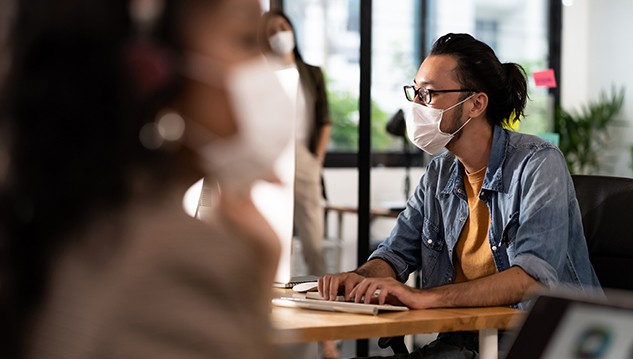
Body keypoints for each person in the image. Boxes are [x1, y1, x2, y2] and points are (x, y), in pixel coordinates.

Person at [0, 0, 293, 358]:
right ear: (152, 62)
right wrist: (254, 288)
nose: (265, 70)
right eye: (247, 40)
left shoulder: (75, 214)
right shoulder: (182, 258)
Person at [318, 33, 602, 358]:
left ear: (476, 104)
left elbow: (531, 278)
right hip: (463, 345)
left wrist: (425, 297)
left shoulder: (538, 162)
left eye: (429, 94)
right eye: (415, 92)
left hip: (541, 345)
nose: (416, 106)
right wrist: (357, 279)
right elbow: (395, 254)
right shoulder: (439, 173)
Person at [259, 10, 337, 359]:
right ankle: (266, 326)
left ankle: (328, 336)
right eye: (272, 29)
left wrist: (315, 159)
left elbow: (324, 119)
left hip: (304, 162)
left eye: (283, 26)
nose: (279, 33)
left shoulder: (310, 73)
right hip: (269, 161)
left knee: (313, 245)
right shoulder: (258, 73)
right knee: (273, 244)